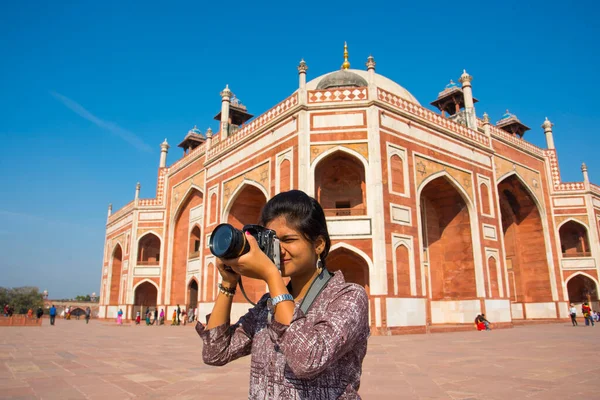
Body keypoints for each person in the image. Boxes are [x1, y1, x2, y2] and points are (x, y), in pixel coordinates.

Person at [197, 190, 370, 399]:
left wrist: (271, 275)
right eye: (274, 242)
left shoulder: (348, 297)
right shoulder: (268, 305)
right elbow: (216, 352)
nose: (280, 250)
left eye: (288, 239)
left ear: (318, 245)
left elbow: (307, 360)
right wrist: (228, 283)